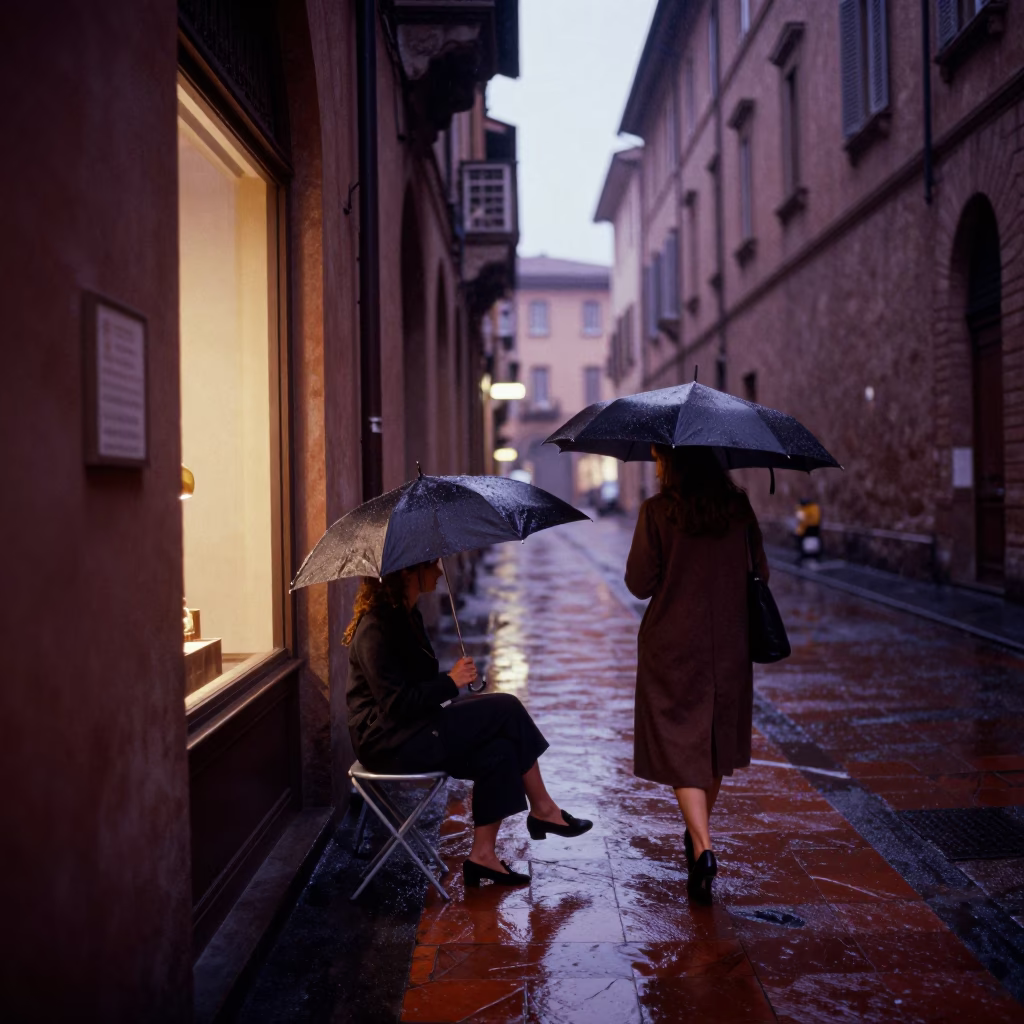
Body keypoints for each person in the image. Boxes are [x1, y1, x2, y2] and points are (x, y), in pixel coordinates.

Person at [344, 558, 592, 887]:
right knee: (507, 707)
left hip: (415, 729)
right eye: (431, 565)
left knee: (501, 751)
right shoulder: (376, 627)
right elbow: (396, 704)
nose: (439, 571)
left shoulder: (407, 615)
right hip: (388, 742)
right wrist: (451, 681)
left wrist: (450, 681)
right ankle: (543, 809)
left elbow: (417, 686)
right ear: (407, 572)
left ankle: (483, 857)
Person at [624, 445, 769, 903]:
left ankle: (703, 846)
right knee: (712, 743)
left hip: (671, 645)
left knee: (680, 743)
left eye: (659, 457)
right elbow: (760, 572)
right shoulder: (738, 508)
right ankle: (697, 836)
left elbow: (638, 582)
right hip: (729, 642)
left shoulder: (657, 511)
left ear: (672, 461)